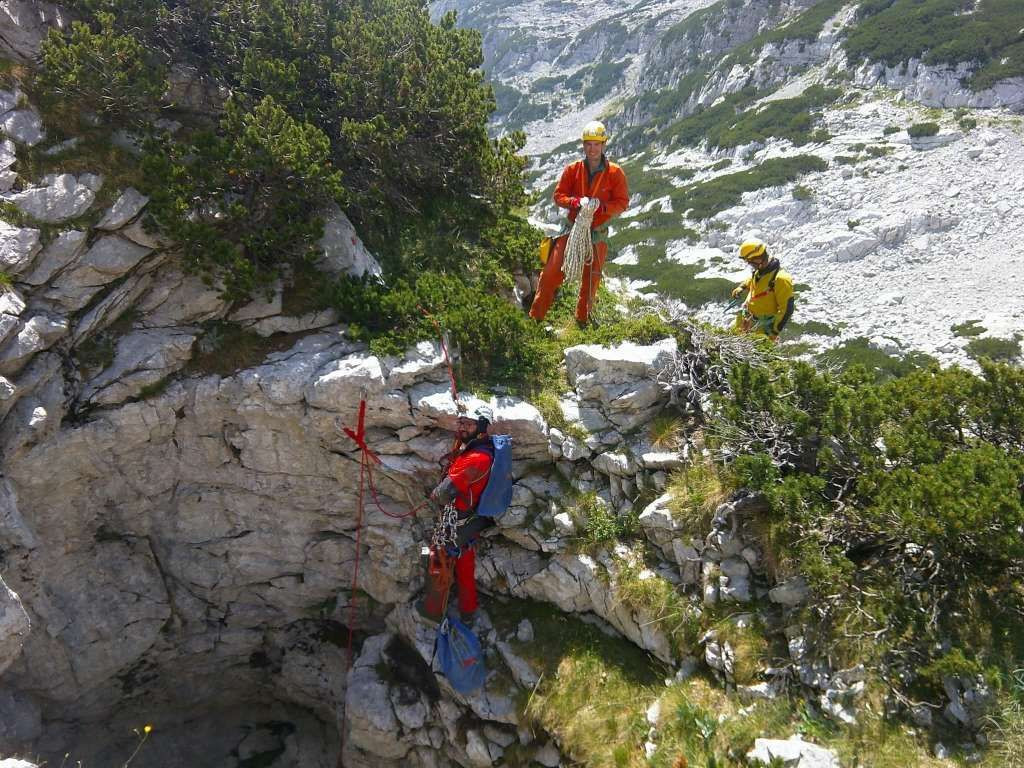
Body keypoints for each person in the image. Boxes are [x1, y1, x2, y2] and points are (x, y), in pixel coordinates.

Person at [528, 119, 629, 325]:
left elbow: (622, 203)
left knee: (590, 283)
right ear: (584, 146)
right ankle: (535, 320)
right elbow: (558, 196)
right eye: (588, 144)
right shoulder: (573, 170)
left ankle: (581, 323)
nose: (592, 149)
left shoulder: (615, 173)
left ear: (603, 145)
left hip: (597, 234)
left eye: (596, 145)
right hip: (572, 231)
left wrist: (601, 207)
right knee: (550, 275)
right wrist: (575, 202)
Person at [426, 405, 496, 626]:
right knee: (464, 563)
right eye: (461, 422)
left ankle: (432, 609)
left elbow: (443, 494)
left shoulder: (475, 458)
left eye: (469, 423)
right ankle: (468, 610)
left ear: (482, 427)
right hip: (468, 524)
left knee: (435, 558)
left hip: (456, 523)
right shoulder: (479, 450)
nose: (463, 427)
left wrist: (433, 494)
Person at [730, 238, 795, 341]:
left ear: (758, 258)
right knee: (730, 342)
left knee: (749, 353)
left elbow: (787, 309)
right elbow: (755, 280)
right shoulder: (761, 271)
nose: (749, 264)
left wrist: (773, 332)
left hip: (762, 329)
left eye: (750, 262)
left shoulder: (781, 279)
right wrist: (742, 287)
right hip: (747, 320)